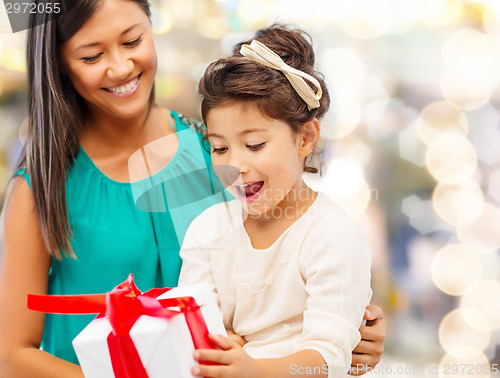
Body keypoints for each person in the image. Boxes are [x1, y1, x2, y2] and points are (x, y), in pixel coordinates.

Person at [0, 0, 385, 376]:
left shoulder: (219, 154)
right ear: (59, 65)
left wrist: (354, 332)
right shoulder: (39, 190)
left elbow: (297, 301)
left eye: (132, 41)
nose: (120, 67)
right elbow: (11, 357)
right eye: (91, 57)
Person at [177, 24, 375, 378]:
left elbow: (329, 358)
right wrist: (217, 343)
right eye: (219, 147)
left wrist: (251, 369)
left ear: (305, 138)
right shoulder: (207, 230)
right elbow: (191, 334)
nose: (235, 165)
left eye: (254, 145)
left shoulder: (332, 235)